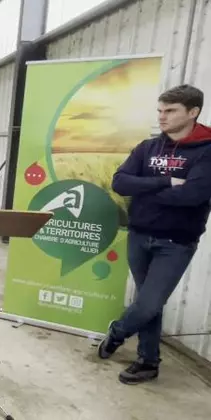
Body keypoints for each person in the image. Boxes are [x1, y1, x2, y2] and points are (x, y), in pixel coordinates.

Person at [102, 84, 211, 384]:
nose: (162, 117)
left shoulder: (207, 150)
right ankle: (148, 361)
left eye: (171, 111)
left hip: (176, 242)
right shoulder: (148, 147)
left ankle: (118, 332)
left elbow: (193, 195)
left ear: (193, 112)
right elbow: (120, 183)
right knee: (150, 304)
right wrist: (165, 182)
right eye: (160, 111)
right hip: (139, 235)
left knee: (148, 304)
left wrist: (146, 189)